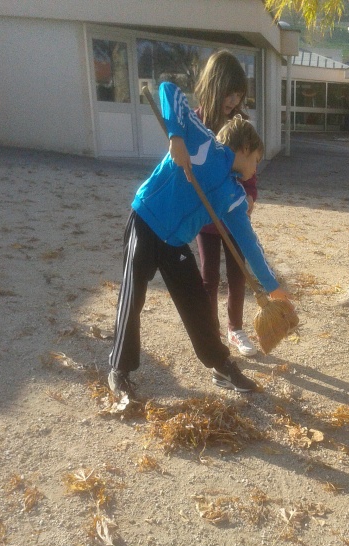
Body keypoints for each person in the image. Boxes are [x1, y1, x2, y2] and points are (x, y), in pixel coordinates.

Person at [108, 82, 293, 398]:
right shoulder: (202, 142)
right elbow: (168, 91)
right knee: (133, 293)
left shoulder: (233, 195)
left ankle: (222, 366)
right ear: (245, 148)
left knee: (195, 303)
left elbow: (248, 243)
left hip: (176, 242)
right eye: (256, 161)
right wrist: (176, 137)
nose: (255, 170)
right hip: (146, 219)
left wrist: (273, 288)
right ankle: (119, 369)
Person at [194, 51, 259, 357]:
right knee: (209, 278)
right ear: (214, 85)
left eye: (238, 95)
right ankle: (211, 332)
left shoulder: (240, 125)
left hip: (233, 218)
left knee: (238, 275)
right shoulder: (195, 125)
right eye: (229, 93)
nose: (233, 100)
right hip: (205, 220)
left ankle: (235, 329)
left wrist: (249, 196)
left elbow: (250, 167)